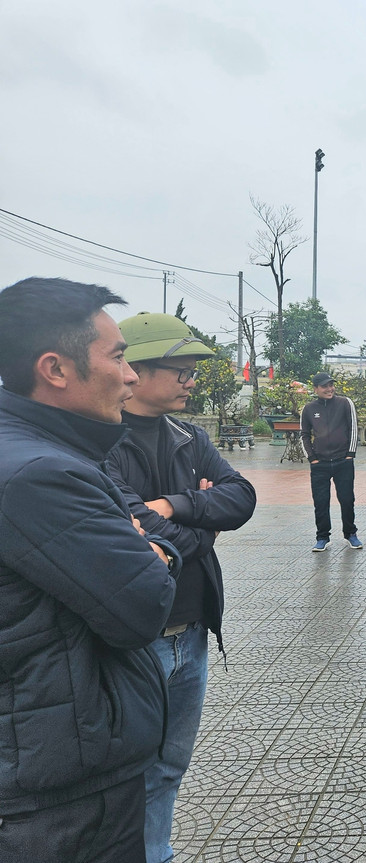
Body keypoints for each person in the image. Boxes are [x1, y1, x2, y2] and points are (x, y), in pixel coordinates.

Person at [0, 278, 182, 863]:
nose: (130, 375)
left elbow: (154, 536)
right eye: (119, 356)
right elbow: (145, 606)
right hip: (59, 796)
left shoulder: (45, 451)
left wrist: (148, 544)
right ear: (55, 368)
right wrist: (152, 551)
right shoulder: (40, 475)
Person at [105, 313, 257, 863]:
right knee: (124, 770)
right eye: (181, 371)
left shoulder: (190, 436)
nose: (191, 381)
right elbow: (130, 524)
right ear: (134, 370)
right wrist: (202, 526)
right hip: (133, 637)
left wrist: (175, 508)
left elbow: (241, 498)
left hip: (191, 630)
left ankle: (156, 852)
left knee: (170, 764)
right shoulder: (100, 442)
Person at [301, 372, 362, 551]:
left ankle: (350, 534)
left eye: (331, 385)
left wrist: (350, 454)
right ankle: (322, 537)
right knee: (320, 501)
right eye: (324, 386)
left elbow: (353, 427)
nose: (329, 389)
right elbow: (304, 434)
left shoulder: (345, 403)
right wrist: (312, 458)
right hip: (320, 464)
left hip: (343, 461)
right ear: (316, 389)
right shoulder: (309, 408)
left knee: (347, 498)